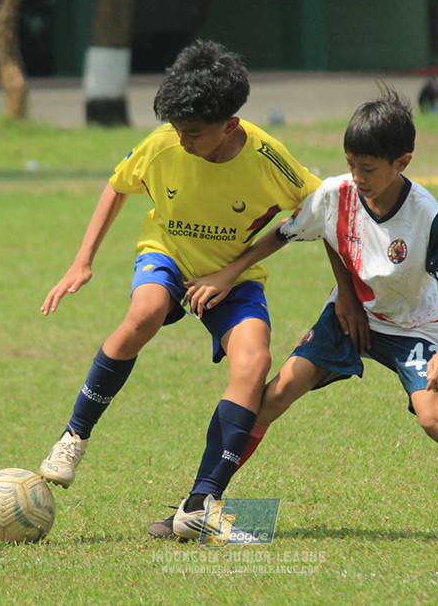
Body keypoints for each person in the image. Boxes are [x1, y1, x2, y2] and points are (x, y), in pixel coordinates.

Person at [150, 86, 438, 545]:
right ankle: (197, 507)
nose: (357, 176)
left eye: (368, 168)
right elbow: (289, 233)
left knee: (435, 419)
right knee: (273, 397)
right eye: (351, 164)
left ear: (402, 163)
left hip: (412, 328)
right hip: (349, 319)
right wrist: (232, 273)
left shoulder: (424, 214)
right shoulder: (336, 193)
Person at [36, 40, 323, 539]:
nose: (182, 140)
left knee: (255, 363)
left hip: (232, 274)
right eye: (177, 129)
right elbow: (117, 185)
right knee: (144, 312)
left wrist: (232, 271)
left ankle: (201, 500)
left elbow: (317, 210)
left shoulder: (269, 159)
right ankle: (73, 437)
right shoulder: (165, 143)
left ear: (230, 125)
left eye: (193, 132)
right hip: (167, 255)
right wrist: (82, 261)